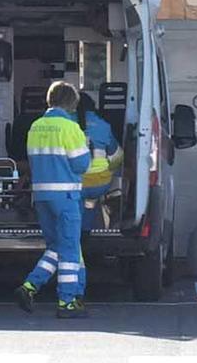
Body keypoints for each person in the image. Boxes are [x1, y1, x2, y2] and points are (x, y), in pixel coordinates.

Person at [14, 81, 91, 319]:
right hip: (66, 196)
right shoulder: (70, 128)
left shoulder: (35, 127)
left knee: (56, 246)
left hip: (41, 197)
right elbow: (81, 164)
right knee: (69, 250)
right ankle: (67, 302)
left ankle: (30, 287)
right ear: (71, 104)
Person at [78, 92, 122, 232]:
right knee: (90, 201)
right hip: (100, 183)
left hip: (75, 184)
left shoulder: (65, 125)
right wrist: (110, 172)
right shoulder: (103, 125)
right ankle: (87, 228)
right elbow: (117, 157)